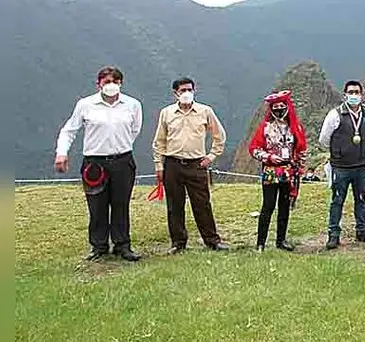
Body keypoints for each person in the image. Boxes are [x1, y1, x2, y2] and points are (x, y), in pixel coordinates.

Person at [55, 66, 143, 261]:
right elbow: (69, 130)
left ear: (121, 83)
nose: (111, 85)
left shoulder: (133, 104)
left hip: (122, 161)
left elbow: (135, 129)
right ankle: (98, 246)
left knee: (121, 204)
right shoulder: (85, 105)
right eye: (106, 82)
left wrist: (119, 145)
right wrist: (62, 153)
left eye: (115, 82)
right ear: (98, 84)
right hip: (94, 163)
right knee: (97, 205)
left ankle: (122, 245)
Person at [152, 77, 229, 254]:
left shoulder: (205, 111)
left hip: (197, 164)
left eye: (189, 89)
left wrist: (211, 156)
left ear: (195, 90)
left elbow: (219, 135)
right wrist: (159, 164)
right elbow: (159, 141)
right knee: (174, 205)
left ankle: (212, 240)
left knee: (202, 203)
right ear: (175, 93)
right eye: (182, 90)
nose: (186, 93)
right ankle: (178, 243)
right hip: (173, 163)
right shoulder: (167, 113)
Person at [319, 80, 365, 249]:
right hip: (341, 167)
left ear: (362, 94)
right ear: (345, 94)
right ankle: (333, 234)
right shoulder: (335, 114)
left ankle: (362, 230)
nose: (354, 95)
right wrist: (340, 151)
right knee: (337, 200)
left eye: (357, 92)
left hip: (362, 166)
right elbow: (324, 139)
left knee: (361, 199)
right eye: (351, 92)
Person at [248, 90, 307, 252]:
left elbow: (301, 149)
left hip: (289, 172)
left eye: (282, 107)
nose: (279, 111)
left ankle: (281, 240)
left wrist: (300, 167)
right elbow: (254, 149)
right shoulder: (265, 128)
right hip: (271, 171)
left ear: (287, 108)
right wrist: (268, 157)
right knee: (268, 206)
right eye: (275, 108)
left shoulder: (295, 128)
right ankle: (260, 243)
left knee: (284, 206)